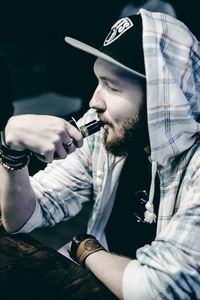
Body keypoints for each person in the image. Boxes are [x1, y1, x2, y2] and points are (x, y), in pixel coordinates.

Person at [0, 8, 200, 299]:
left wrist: (83, 247)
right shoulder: (107, 131)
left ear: (164, 98)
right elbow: (21, 218)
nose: (94, 101)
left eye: (111, 86)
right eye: (98, 80)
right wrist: (11, 149)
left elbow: (159, 289)